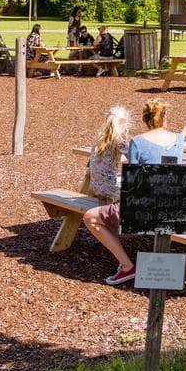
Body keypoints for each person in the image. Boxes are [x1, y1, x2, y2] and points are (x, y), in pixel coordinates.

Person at [81, 106, 136, 285]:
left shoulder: (99, 139)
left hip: (98, 188)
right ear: (125, 124)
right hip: (112, 191)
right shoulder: (120, 142)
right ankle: (127, 264)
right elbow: (138, 160)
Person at [125, 98, 184, 165]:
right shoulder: (179, 140)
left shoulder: (137, 142)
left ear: (145, 119)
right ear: (164, 117)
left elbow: (132, 170)